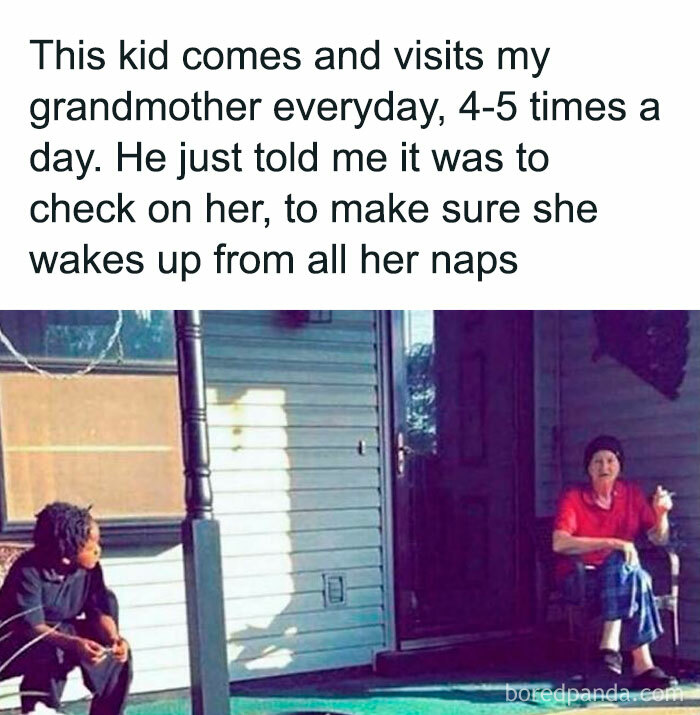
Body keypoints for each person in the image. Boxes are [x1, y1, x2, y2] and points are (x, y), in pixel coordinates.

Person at [552, 435, 676, 689]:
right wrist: (612, 543)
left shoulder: (631, 494)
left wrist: (661, 514)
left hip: (618, 582)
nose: (604, 467)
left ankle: (611, 650)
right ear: (588, 468)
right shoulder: (574, 497)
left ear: (619, 466)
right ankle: (641, 664)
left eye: (610, 460)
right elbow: (559, 543)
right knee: (628, 564)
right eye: (597, 462)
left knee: (634, 574)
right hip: (580, 579)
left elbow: (658, 539)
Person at [0, 502, 131, 714]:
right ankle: (41, 710)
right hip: (15, 643)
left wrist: (114, 639)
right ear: (66, 554)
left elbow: (99, 610)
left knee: (117, 656)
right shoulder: (28, 572)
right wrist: (74, 644)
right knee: (52, 650)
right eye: (91, 547)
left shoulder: (90, 569)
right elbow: (32, 628)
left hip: (61, 634)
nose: (98, 550)